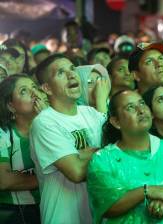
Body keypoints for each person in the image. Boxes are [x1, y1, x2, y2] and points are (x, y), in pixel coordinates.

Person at [87, 89, 163, 223]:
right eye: (130, 107)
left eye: (142, 103)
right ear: (116, 122)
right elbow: (106, 206)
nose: (141, 110)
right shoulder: (103, 160)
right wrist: (146, 191)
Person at [30, 54, 106, 224]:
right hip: (62, 217)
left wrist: (84, 154)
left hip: (95, 215)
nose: (72, 75)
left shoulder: (91, 113)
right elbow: (76, 172)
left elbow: (122, 150)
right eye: (61, 73)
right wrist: (105, 151)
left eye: (72, 69)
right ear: (47, 88)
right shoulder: (44, 122)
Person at [0, 74, 47, 223]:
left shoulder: (52, 125)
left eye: (34, 87)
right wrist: (55, 178)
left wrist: (48, 119)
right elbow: (4, 180)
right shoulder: (3, 133)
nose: (34, 92)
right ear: (11, 106)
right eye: (24, 91)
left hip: (48, 205)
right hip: (13, 213)